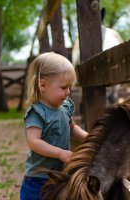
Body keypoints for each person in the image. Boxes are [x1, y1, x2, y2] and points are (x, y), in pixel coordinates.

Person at [20, 52, 88, 200]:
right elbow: (33, 141)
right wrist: (60, 153)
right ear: (43, 85)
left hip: (59, 175)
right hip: (38, 178)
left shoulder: (65, 107)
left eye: (69, 87)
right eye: (63, 87)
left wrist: (89, 138)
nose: (68, 92)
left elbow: (72, 128)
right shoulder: (37, 112)